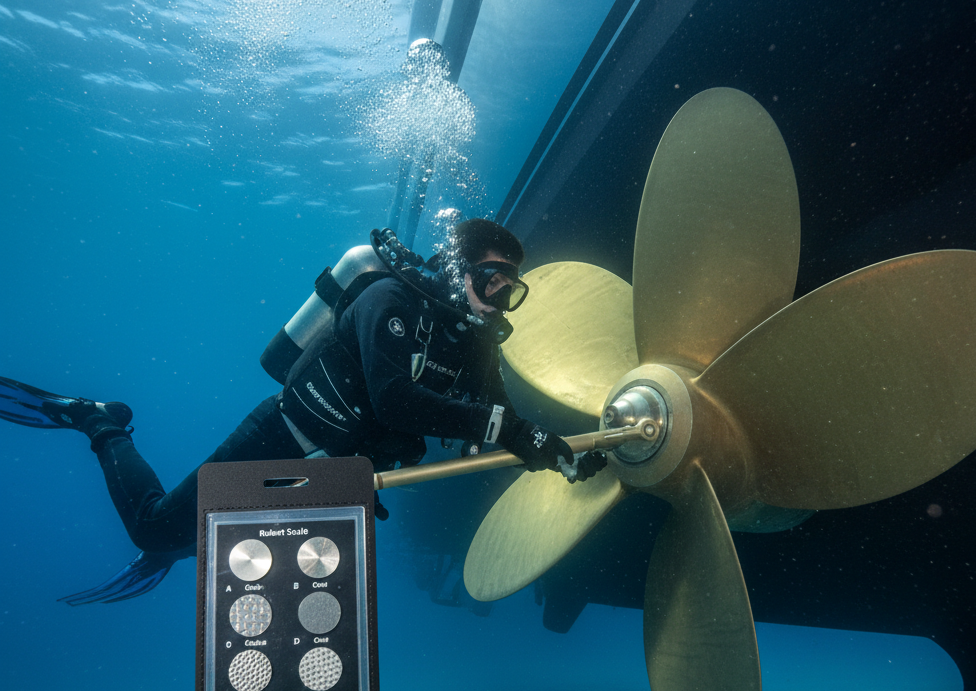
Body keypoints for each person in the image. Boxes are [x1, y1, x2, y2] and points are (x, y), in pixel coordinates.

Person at [0, 218, 605, 603]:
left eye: (512, 289)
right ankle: (102, 420)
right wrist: (509, 431)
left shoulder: (474, 342)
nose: (500, 301)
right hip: (283, 434)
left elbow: (499, 418)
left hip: (340, 471)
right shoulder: (388, 299)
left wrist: (562, 455)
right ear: (456, 270)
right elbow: (397, 399)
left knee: (226, 550)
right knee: (155, 528)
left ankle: (179, 543)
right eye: (491, 281)